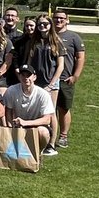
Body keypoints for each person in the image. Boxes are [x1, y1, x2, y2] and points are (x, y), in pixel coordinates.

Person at [26, 14, 64, 149]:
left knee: (51, 112)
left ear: (50, 25)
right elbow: (29, 62)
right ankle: (36, 139)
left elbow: (60, 66)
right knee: (36, 111)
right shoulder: (33, 42)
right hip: (36, 82)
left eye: (45, 24)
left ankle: (51, 143)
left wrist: (51, 84)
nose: (42, 26)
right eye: (40, 24)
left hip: (51, 83)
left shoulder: (56, 41)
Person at [2, 64, 57, 157]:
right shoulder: (11, 91)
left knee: (43, 132)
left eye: (28, 75)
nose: (26, 78)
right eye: (23, 75)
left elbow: (47, 120)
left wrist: (25, 123)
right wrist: (11, 128)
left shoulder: (43, 94)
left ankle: (39, 152)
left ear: (34, 77)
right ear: (19, 77)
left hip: (37, 126)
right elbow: (8, 112)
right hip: (18, 125)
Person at [53, 8, 85, 148]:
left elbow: (80, 57)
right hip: (48, 79)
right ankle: (49, 135)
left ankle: (63, 136)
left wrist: (75, 75)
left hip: (65, 79)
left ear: (67, 20)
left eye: (62, 18)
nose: (58, 20)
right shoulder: (48, 34)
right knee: (48, 109)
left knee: (63, 108)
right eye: (56, 18)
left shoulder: (74, 37)